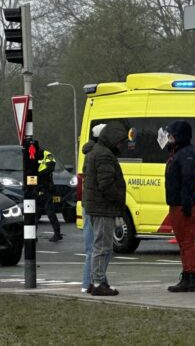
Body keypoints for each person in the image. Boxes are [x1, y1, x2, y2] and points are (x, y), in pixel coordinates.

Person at [84, 121, 128, 297]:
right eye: (120, 142)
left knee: (99, 246)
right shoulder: (105, 155)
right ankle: (98, 282)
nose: (121, 145)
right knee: (103, 247)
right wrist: (118, 199)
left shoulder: (96, 152)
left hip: (96, 206)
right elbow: (106, 183)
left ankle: (97, 280)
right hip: (103, 207)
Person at [164, 120, 195, 292]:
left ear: (179, 136)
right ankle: (187, 275)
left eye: (172, 135)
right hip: (177, 202)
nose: (169, 138)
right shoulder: (179, 152)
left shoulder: (186, 154)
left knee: (187, 242)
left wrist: (186, 203)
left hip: (183, 203)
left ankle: (190, 277)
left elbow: (188, 179)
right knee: (183, 241)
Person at [80, 124, 113, 294]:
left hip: (89, 204)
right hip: (96, 206)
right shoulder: (99, 155)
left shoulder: (90, 153)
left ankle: (98, 280)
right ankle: (91, 282)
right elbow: (105, 182)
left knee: (95, 246)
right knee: (98, 247)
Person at [37, 149, 61, 242]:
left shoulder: (47, 154)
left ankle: (57, 233)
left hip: (46, 187)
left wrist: (38, 174)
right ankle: (32, 235)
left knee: (50, 211)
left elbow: (51, 167)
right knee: (35, 213)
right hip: (36, 186)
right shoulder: (30, 155)